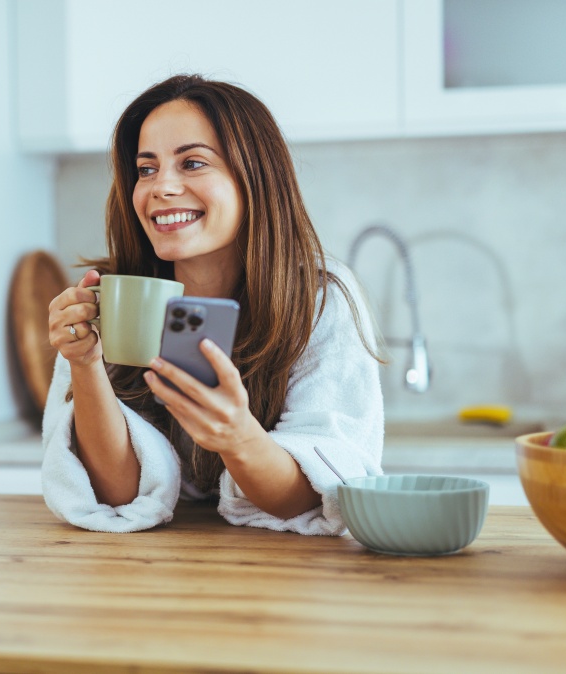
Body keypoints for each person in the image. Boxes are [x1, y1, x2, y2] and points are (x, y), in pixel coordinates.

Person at [41, 74, 384, 534]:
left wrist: (238, 437)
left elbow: (311, 497)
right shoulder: (114, 295)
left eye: (193, 163)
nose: (160, 187)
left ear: (254, 177)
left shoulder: (319, 297)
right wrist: (84, 365)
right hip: (138, 573)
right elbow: (117, 495)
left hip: (279, 575)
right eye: (146, 169)